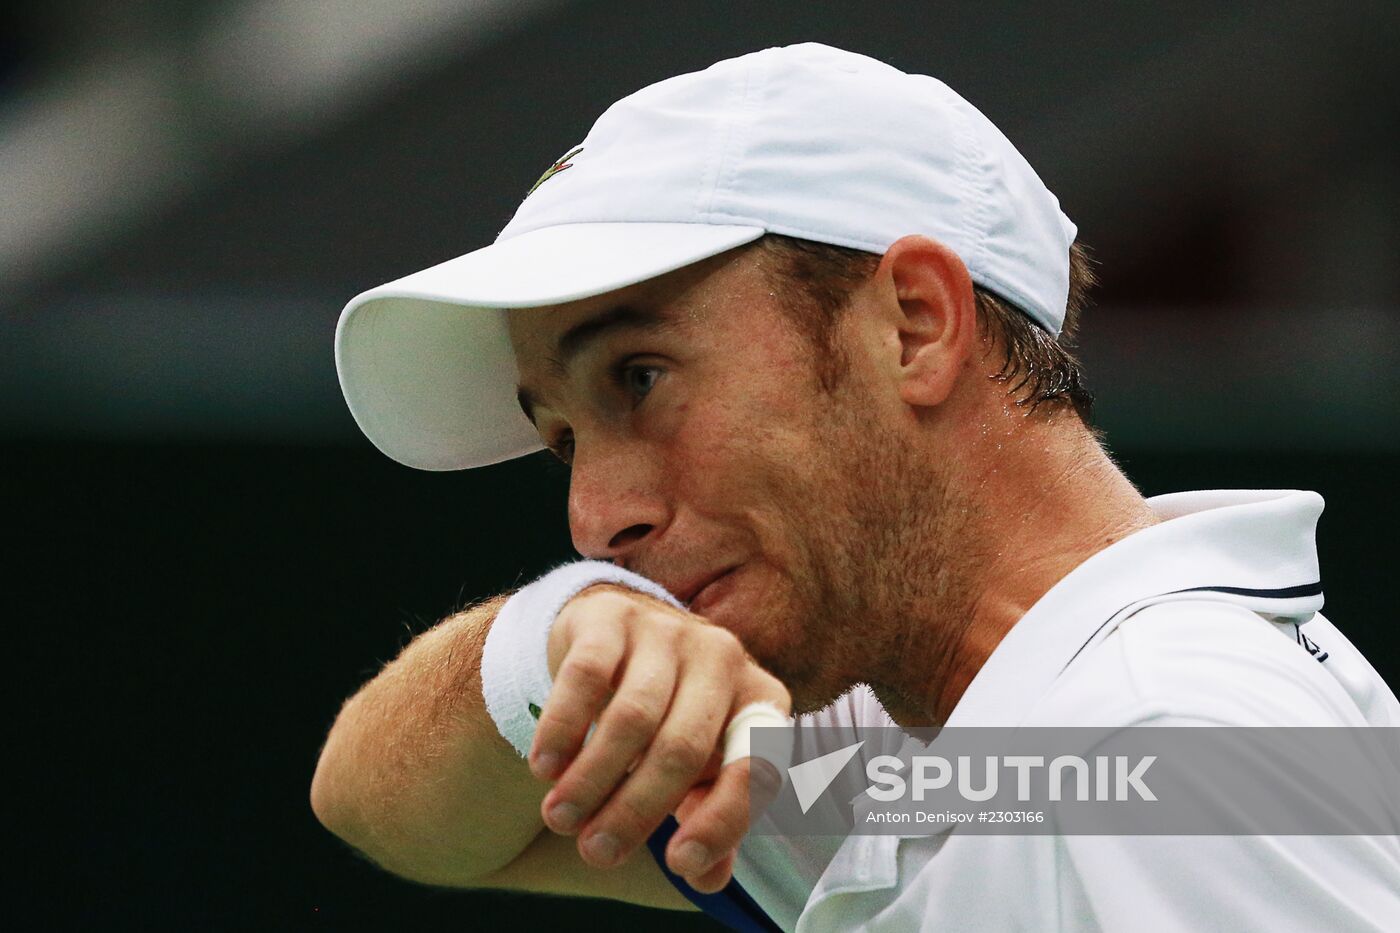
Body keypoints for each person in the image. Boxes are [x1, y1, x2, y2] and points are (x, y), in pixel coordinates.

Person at [312, 43, 1400, 930]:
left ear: (911, 326)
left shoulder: (1163, 743)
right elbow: (381, 806)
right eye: (562, 440)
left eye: (639, 377)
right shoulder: (943, 764)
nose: (595, 518)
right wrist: (562, 633)